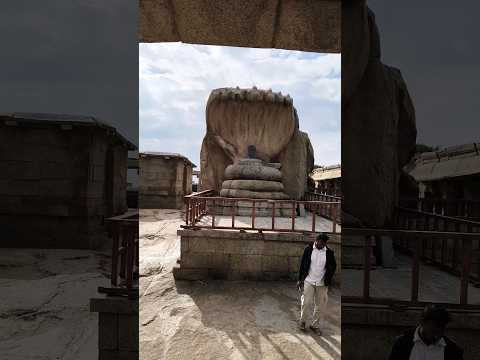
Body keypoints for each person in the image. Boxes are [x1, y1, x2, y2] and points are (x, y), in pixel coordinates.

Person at [388, 305, 463, 360]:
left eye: (441, 331)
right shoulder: (402, 344)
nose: (437, 336)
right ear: (423, 322)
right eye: (433, 331)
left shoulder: (453, 351)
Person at [297, 233, 337, 335]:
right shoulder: (308, 249)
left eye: (324, 243)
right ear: (316, 240)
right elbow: (302, 265)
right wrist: (299, 279)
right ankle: (303, 322)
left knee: (320, 306)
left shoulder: (329, 252)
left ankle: (315, 325)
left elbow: (333, 266)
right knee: (306, 302)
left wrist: (328, 277)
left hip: (322, 283)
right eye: (321, 242)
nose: (322, 245)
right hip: (308, 280)